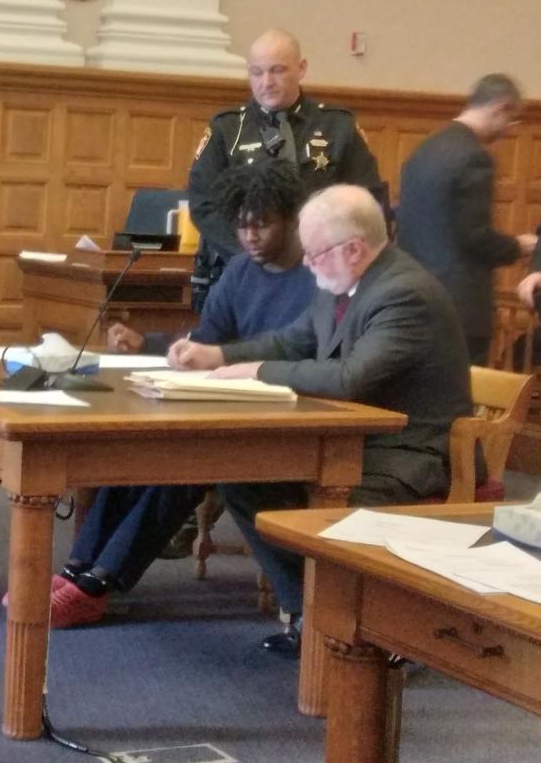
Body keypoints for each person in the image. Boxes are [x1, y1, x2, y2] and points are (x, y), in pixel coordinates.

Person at [172, 185, 472, 654]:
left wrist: (258, 372)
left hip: (407, 454)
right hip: (356, 442)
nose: (307, 264)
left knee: (313, 505)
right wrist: (216, 354)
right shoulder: (342, 285)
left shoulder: (402, 295)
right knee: (244, 479)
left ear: (353, 248)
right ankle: (314, 615)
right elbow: (290, 343)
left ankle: (359, 626)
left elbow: (352, 379)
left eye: (314, 253)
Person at [43, 161, 316, 628]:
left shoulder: (316, 276)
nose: (249, 236)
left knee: (185, 461)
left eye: (262, 224)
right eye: (241, 225)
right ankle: (80, 567)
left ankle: (99, 581)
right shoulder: (241, 270)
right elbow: (207, 338)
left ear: (293, 219)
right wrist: (151, 345)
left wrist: (220, 360)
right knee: (144, 443)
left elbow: (302, 352)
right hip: (229, 404)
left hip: (288, 412)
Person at [187, 29, 387, 312]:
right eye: (256, 73)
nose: (266, 83)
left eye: (277, 71)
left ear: (301, 68)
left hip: (319, 274)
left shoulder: (337, 127)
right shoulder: (227, 128)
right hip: (243, 273)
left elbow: (367, 201)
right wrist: (252, 256)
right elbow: (203, 203)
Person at [396, 73, 535, 364]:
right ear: (500, 108)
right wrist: (520, 246)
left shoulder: (424, 150)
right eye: (511, 120)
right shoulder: (475, 157)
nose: (509, 130)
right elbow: (476, 237)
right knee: (461, 402)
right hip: (460, 308)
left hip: (412, 298)